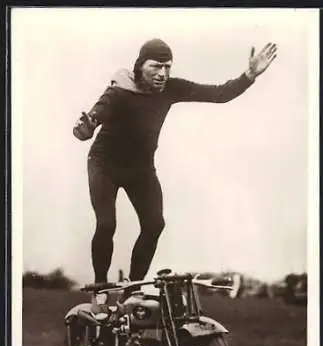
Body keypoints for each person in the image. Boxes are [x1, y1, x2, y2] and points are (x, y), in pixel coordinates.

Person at [73, 38, 277, 311]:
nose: (162, 74)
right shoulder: (119, 92)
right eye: (156, 66)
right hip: (104, 165)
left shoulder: (171, 89)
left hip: (140, 169)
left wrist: (249, 76)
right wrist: (85, 128)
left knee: (155, 224)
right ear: (140, 65)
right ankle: (99, 288)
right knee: (107, 224)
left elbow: (219, 94)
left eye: (167, 67)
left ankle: (133, 287)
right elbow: (91, 120)